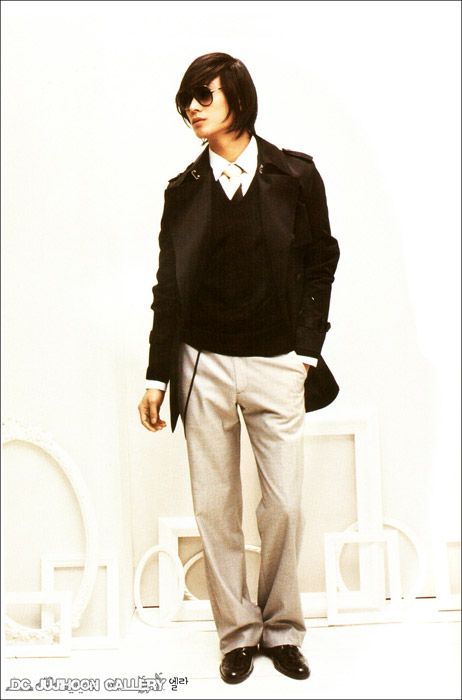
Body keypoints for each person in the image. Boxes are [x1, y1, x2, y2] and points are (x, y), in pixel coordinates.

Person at [138, 52, 340, 684]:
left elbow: (321, 260)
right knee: (215, 507)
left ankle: (282, 631)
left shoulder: (295, 176)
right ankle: (237, 636)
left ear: (239, 99)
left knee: (284, 507)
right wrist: (157, 375)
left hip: (278, 362)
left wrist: (305, 350)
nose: (193, 108)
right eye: (187, 100)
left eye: (205, 95)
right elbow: (168, 288)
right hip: (202, 364)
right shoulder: (183, 192)